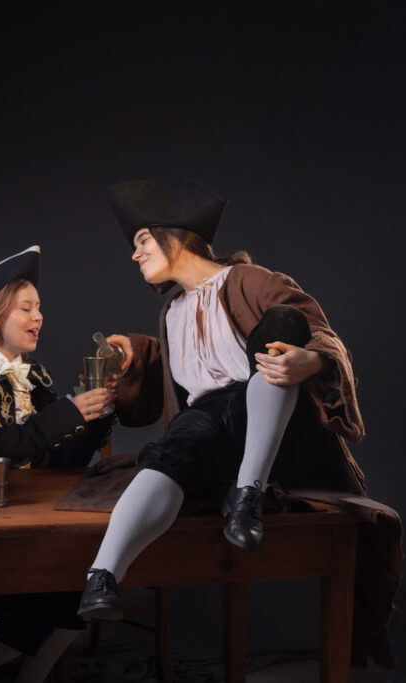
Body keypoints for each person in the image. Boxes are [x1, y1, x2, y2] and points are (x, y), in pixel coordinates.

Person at [77, 181, 367, 620]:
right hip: (210, 428)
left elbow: (317, 332)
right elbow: (188, 374)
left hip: (272, 423)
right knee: (175, 445)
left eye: (141, 241)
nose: (134, 254)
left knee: (276, 340)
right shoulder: (171, 311)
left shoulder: (249, 280)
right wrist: (137, 353)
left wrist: (310, 359)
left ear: (172, 235)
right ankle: (101, 578)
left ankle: (248, 497)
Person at [0, 246, 113, 682]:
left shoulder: (36, 376)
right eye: (26, 307)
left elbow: (58, 460)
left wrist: (93, 418)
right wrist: (67, 412)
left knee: (77, 589)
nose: (39, 316)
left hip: (30, 516)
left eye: (40, 308)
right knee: (46, 604)